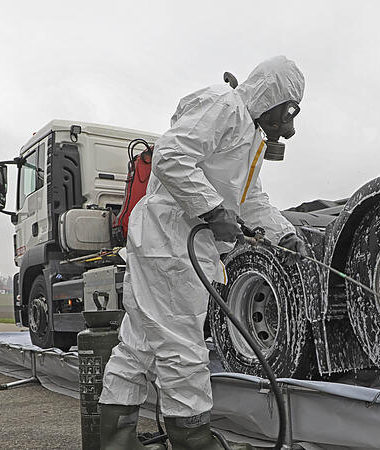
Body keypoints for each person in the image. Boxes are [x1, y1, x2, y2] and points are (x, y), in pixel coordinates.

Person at [99, 55, 307, 450]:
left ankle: (112, 442)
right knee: (183, 349)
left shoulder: (250, 137)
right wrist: (211, 211)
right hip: (172, 243)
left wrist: (283, 235)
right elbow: (171, 156)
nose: (289, 124)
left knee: (139, 345)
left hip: (171, 241)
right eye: (289, 111)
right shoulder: (224, 106)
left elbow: (249, 200)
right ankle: (194, 442)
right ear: (274, 96)